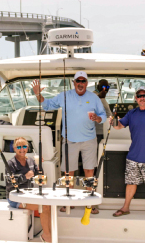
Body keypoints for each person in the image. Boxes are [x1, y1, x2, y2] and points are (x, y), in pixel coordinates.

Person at [31, 71, 107, 214]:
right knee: (68, 172)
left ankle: (89, 202)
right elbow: (48, 105)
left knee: (89, 171)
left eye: (83, 81)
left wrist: (98, 118)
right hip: (69, 139)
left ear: (87, 83)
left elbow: (103, 115)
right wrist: (37, 94)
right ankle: (68, 200)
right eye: (78, 80)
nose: (80, 83)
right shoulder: (64, 95)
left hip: (89, 139)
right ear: (74, 83)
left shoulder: (94, 98)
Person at [110, 86, 145, 219]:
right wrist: (113, 121)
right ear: (136, 98)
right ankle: (125, 208)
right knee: (131, 182)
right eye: (139, 96)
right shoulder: (132, 113)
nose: (142, 98)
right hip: (133, 156)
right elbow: (119, 126)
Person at [6, 137, 52, 242]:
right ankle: (47, 237)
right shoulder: (11, 163)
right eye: (18, 147)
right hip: (15, 198)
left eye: (24, 146)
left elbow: (40, 178)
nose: (22, 149)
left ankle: (48, 234)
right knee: (44, 207)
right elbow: (9, 184)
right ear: (14, 148)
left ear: (28, 147)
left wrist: (40, 166)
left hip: (29, 196)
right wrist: (25, 177)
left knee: (48, 205)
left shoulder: (31, 160)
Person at [93, 79, 113, 143]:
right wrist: (101, 98)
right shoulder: (94, 96)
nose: (105, 89)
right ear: (98, 86)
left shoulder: (100, 96)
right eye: (103, 87)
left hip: (103, 130)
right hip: (98, 131)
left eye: (107, 87)